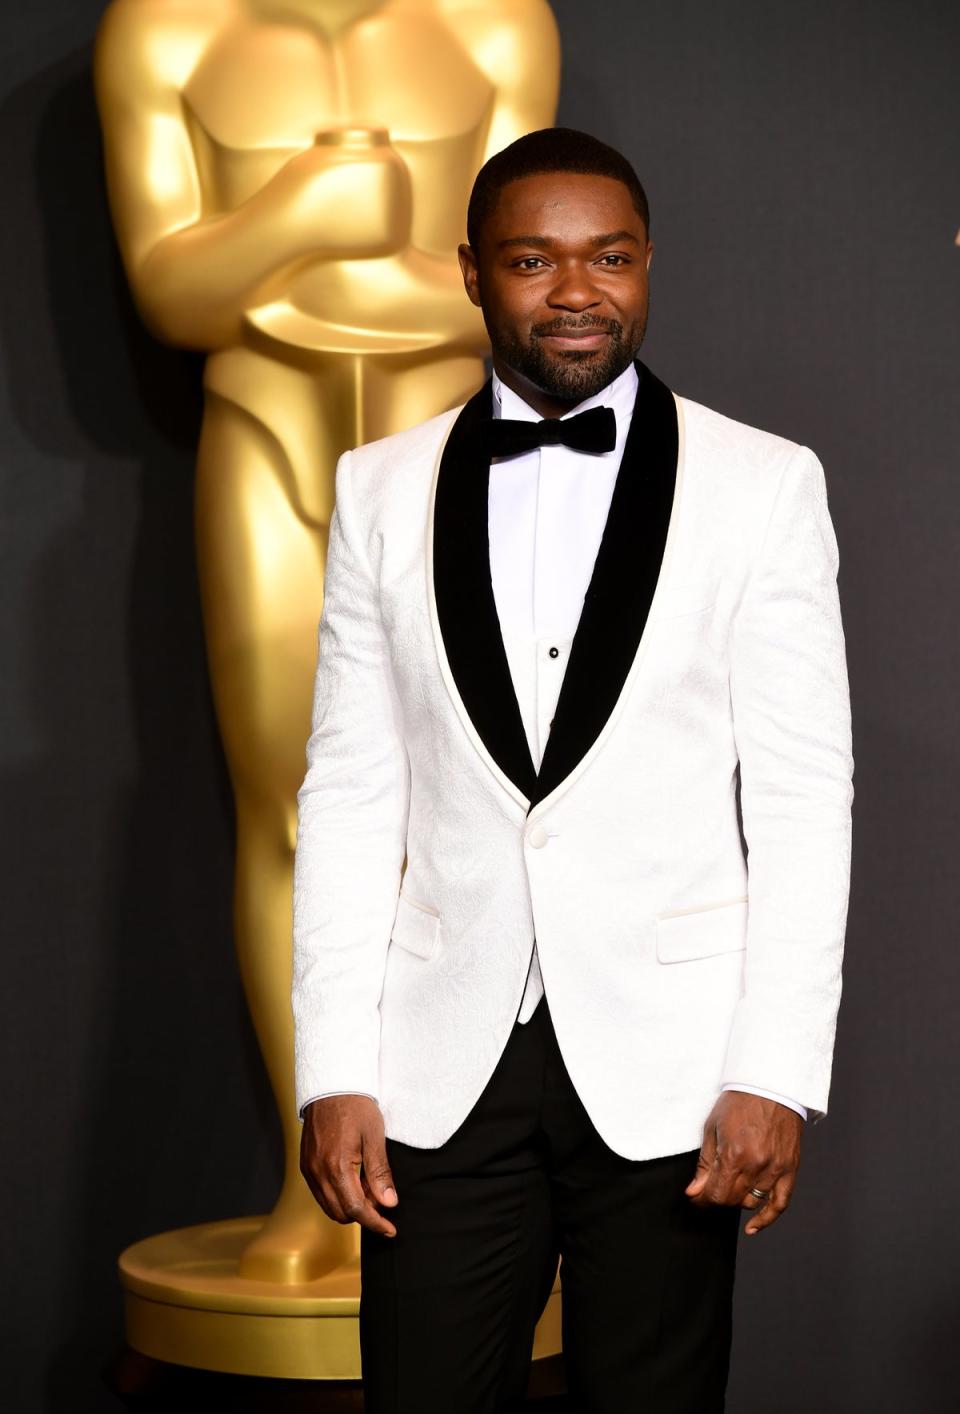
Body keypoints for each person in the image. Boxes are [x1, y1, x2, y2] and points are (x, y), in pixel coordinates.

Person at [292, 127, 854, 1412]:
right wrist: (336, 1067)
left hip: (671, 1067)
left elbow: (803, 797)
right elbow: (347, 792)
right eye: (534, 260)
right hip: (438, 1062)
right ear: (472, 275)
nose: (577, 290)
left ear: (648, 264)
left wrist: (775, 1070)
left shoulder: (761, 486)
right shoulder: (377, 490)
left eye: (609, 256)